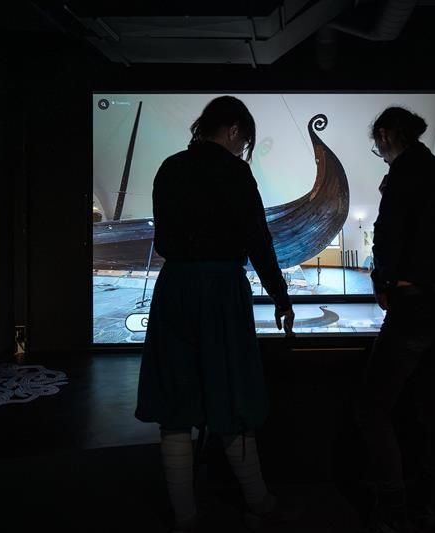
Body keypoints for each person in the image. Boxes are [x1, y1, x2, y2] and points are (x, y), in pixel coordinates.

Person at [134, 96, 297, 533]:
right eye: (244, 141)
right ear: (234, 130)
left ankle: (185, 517)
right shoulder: (234, 171)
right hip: (221, 291)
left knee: (175, 404)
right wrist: (281, 296)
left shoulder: (169, 168)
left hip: (175, 291)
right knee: (233, 395)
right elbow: (258, 241)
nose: (242, 149)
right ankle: (259, 503)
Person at [354, 107, 435, 533]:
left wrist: (383, 282)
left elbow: (389, 235)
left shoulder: (402, 176)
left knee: (371, 408)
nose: (379, 152)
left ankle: (392, 504)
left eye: (377, 143)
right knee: (428, 402)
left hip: (410, 309)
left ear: (385, 134)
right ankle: (430, 503)